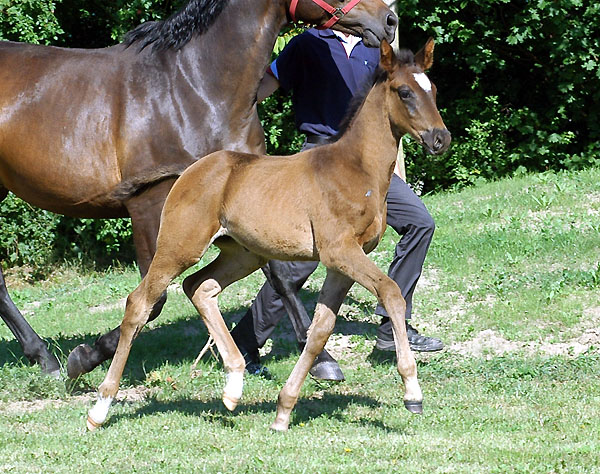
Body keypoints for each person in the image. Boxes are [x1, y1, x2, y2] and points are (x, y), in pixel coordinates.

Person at [231, 27, 443, 377]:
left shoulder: (375, 49)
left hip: (367, 161)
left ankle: (392, 329)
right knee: (300, 261)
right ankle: (245, 341)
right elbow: (263, 89)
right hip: (320, 157)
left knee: (420, 222)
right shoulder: (308, 44)